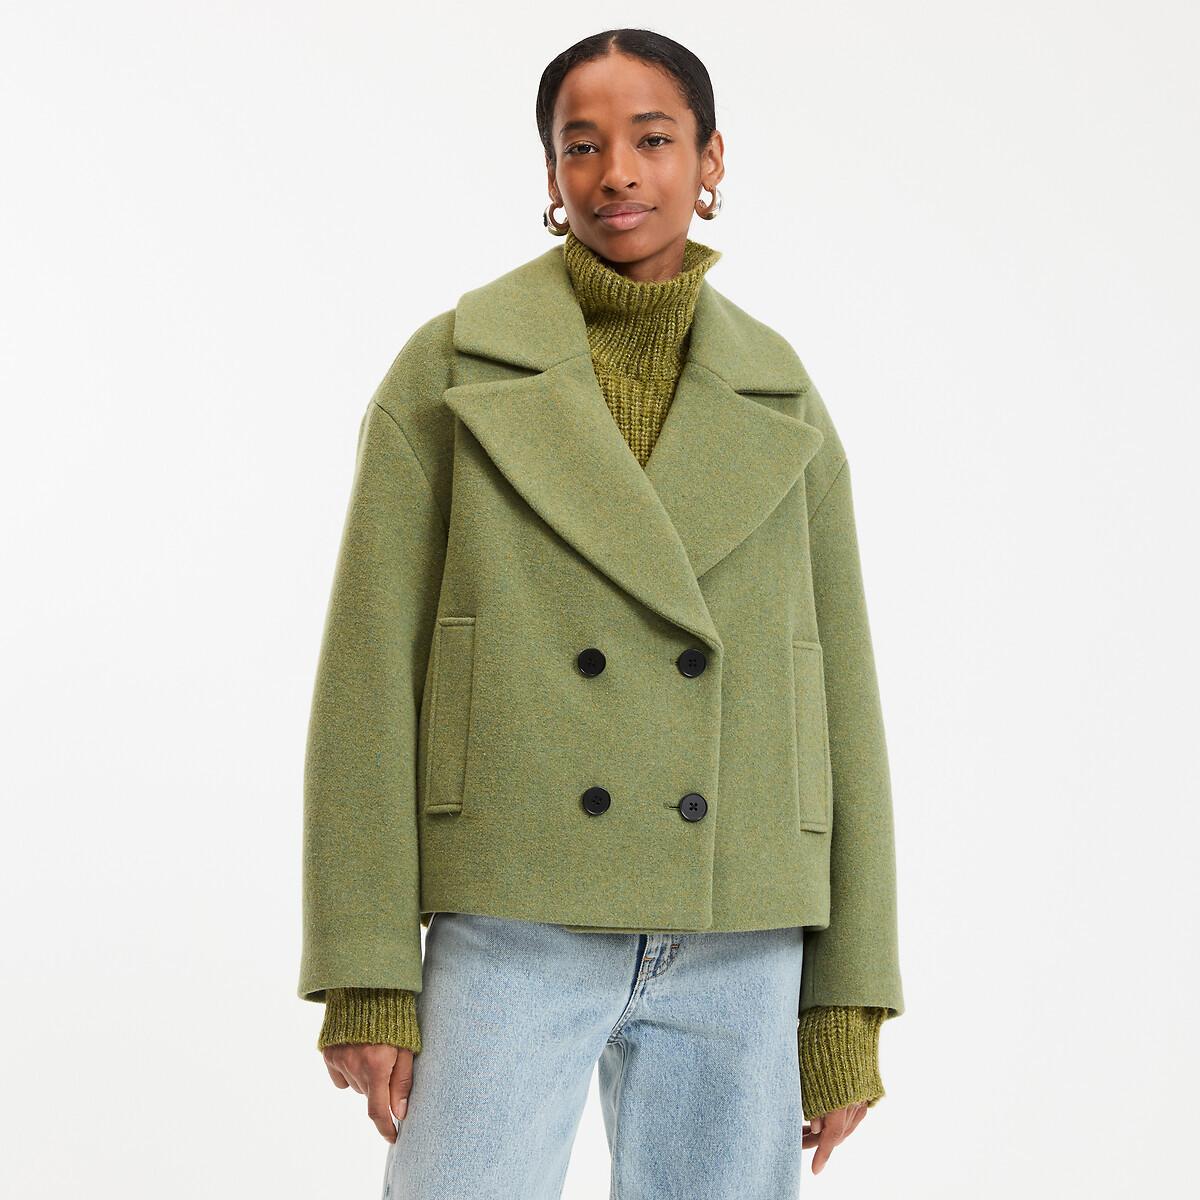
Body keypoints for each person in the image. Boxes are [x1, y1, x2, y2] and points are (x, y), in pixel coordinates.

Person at [299, 27, 904, 1200]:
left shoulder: (782, 394)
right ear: (550, 174)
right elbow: (369, 677)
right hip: (513, 916)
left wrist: (847, 1000)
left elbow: (838, 701)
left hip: (740, 931)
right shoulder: (450, 373)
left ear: (710, 158)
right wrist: (367, 970)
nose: (616, 171)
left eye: (653, 139)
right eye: (581, 145)